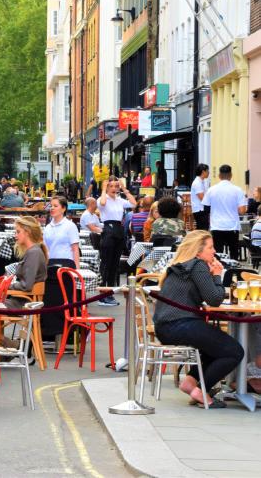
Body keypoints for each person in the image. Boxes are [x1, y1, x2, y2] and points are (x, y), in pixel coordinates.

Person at [153, 231, 243, 408]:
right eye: (210, 247)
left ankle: (190, 382)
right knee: (234, 351)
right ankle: (201, 391)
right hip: (181, 323)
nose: (214, 251)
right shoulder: (198, 265)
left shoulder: (182, 266)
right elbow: (215, 299)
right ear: (197, 251)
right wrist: (218, 274)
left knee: (216, 348)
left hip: (166, 326)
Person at [97, 177, 137, 306]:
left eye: (116, 186)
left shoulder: (120, 200)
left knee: (115, 264)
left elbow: (134, 204)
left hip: (119, 229)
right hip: (108, 229)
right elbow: (102, 203)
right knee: (106, 262)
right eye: (111, 186)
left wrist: (125, 189)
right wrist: (103, 189)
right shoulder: (103, 198)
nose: (114, 188)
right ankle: (103, 293)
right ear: (107, 187)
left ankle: (111, 292)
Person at [202, 164, 247, 260]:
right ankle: (233, 272)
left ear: (219, 176)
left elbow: (206, 209)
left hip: (217, 225)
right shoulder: (238, 190)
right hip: (232, 226)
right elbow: (242, 211)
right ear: (231, 175)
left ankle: (219, 272)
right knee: (234, 252)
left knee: (217, 253)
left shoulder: (211, 190)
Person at [5, 216, 48, 309]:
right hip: (22, 300)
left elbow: (27, 285)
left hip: (23, 303)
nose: (15, 235)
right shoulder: (34, 251)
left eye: (18, 232)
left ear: (27, 232)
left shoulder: (34, 253)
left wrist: (7, 285)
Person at [44, 195, 80, 267]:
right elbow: (46, 249)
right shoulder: (47, 227)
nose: (52, 208)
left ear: (63, 209)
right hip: (50, 265)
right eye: (51, 206)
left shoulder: (70, 226)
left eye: (55, 206)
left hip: (66, 265)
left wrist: (77, 270)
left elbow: (75, 249)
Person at [191, 163, 210, 230]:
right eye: (207, 171)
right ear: (203, 171)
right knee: (203, 229)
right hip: (200, 210)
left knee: (203, 229)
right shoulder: (197, 183)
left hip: (202, 209)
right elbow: (202, 198)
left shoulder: (202, 181)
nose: (209, 173)